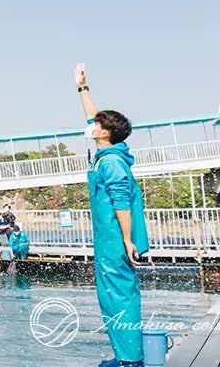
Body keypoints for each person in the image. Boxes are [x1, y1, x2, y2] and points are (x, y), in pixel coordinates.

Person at [75, 63, 150, 367]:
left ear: (104, 133)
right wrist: (82, 88)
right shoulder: (109, 154)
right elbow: (93, 116)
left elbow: (121, 203)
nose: (90, 125)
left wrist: (128, 240)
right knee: (112, 296)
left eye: (96, 124)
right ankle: (126, 355)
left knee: (118, 297)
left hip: (116, 241)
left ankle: (130, 360)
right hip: (109, 239)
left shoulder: (111, 164)